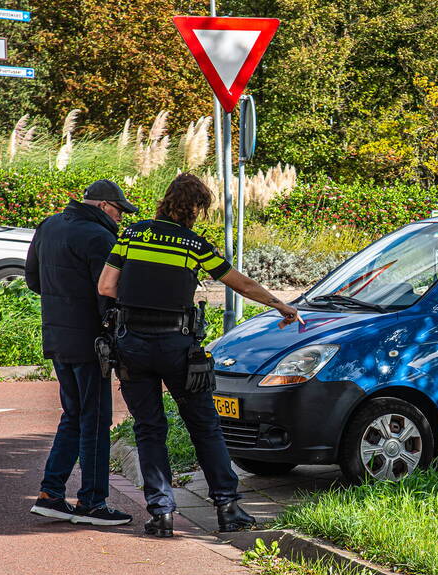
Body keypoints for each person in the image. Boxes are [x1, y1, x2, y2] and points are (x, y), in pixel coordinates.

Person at [97, 173, 303, 538]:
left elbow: (106, 286)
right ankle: (228, 507)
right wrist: (280, 305)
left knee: (148, 429)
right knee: (205, 426)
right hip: (177, 346)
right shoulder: (194, 245)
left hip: (131, 346)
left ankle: (161, 512)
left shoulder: (132, 234)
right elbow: (240, 282)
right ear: (195, 208)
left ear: (165, 200)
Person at [25, 179, 137, 526]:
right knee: (96, 419)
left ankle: (51, 493)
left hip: (57, 337)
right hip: (91, 342)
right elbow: (109, 294)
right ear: (104, 205)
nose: (121, 219)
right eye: (119, 211)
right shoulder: (99, 237)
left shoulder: (50, 225)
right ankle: (92, 501)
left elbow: (33, 280)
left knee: (73, 414)